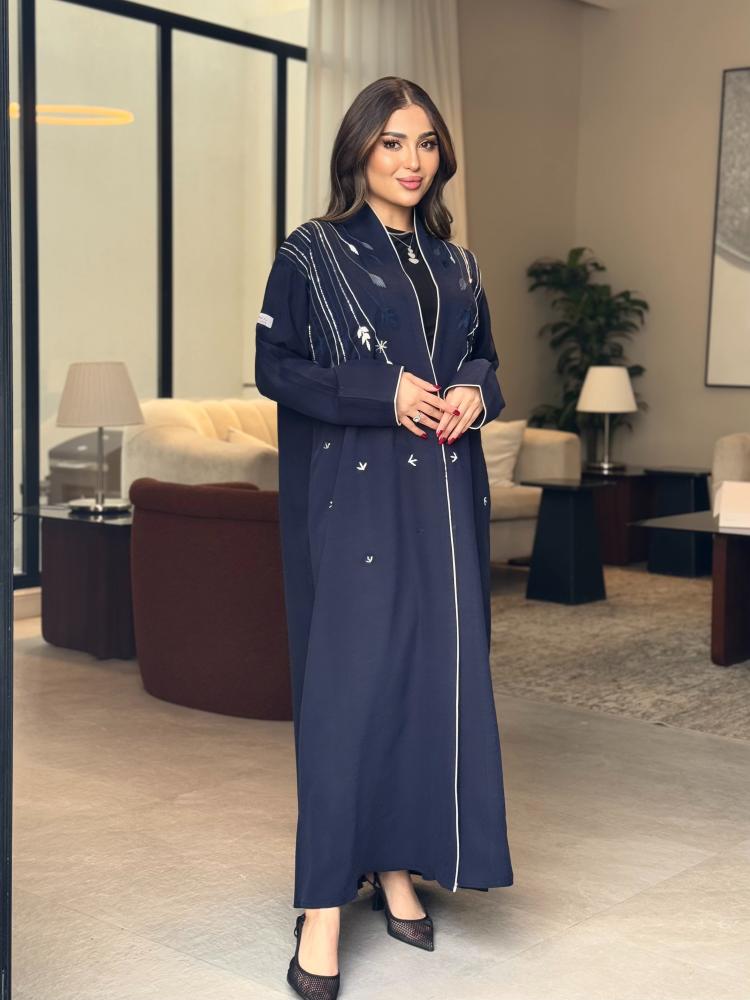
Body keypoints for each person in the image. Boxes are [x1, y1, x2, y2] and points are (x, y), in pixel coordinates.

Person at [254, 75, 513, 1000]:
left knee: (424, 683)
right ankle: (323, 903)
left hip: (443, 499)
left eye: (427, 143)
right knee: (349, 692)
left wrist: (475, 389)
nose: (412, 161)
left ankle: (398, 866)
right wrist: (382, 392)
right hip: (358, 504)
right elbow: (275, 367)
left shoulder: (458, 264)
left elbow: (482, 354)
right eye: (394, 142)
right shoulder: (313, 252)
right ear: (359, 149)